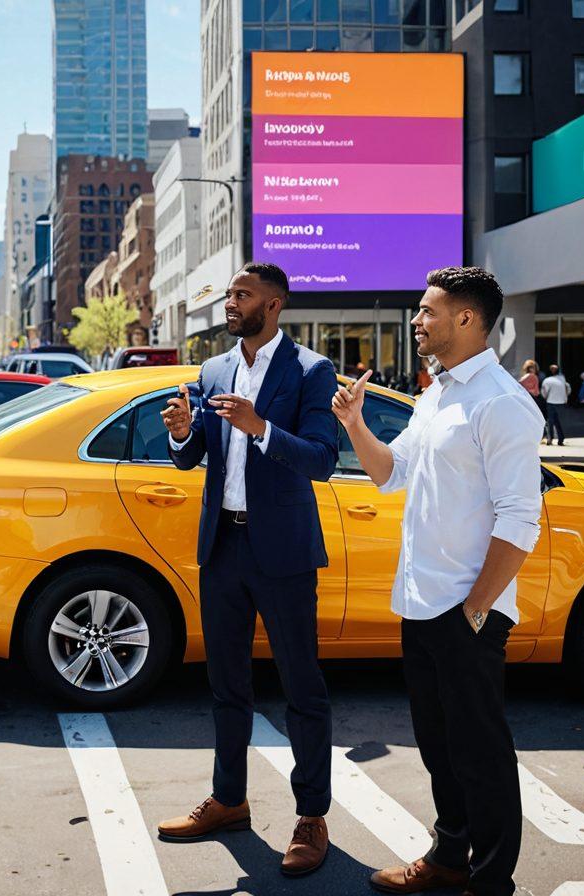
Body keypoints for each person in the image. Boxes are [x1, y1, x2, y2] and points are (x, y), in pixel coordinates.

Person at [332, 267, 542, 896]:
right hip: (420, 604)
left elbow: (521, 519)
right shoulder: (436, 394)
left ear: (467, 319)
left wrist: (476, 610)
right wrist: (355, 424)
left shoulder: (503, 403)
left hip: (465, 611)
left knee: (481, 754)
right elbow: (390, 474)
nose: (418, 320)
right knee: (438, 747)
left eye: (428, 310)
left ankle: (490, 880)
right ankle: (450, 856)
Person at [157, 262, 338, 877]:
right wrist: (185, 435)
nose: (230, 302)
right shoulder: (215, 369)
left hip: (283, 553)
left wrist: (261, 428)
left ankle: (312, 816)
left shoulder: (311, 371)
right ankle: (229, 800)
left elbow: (321, 459)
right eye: (230, 294)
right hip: (223, 550)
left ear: (274, 304)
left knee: (302, 689)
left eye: (242, 294)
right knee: (226, 687)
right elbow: (196, 457)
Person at [540, 364, 570, 446]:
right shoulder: (562, 378)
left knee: (551, 421)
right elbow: (567, 388)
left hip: (551, 402)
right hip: (560, 402)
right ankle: (560, 439)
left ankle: (550, 439)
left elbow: (544, 391)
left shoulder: (547, 380)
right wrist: (565, 397)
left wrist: (545, 397)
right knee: (558, 421)